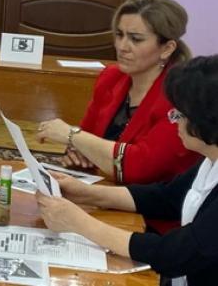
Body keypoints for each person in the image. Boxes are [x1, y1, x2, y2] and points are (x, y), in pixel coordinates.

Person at [37, 55, 218, 286]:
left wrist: (80, 223)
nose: (174, 121)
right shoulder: (210, 160)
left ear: (207, 121)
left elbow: (175, 254)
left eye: (179, 115)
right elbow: (166, 197)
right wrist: (85, 192)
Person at [36, 0, 200, 231]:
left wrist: (72, 135)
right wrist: (78, 150)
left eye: (135, 39)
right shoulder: (111, 77)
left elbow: (141, 167)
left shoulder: (178, 95)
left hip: (155, 216)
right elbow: (86, 137)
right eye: (119, 35)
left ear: (167, 48)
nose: (122, 47)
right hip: (103, 194)